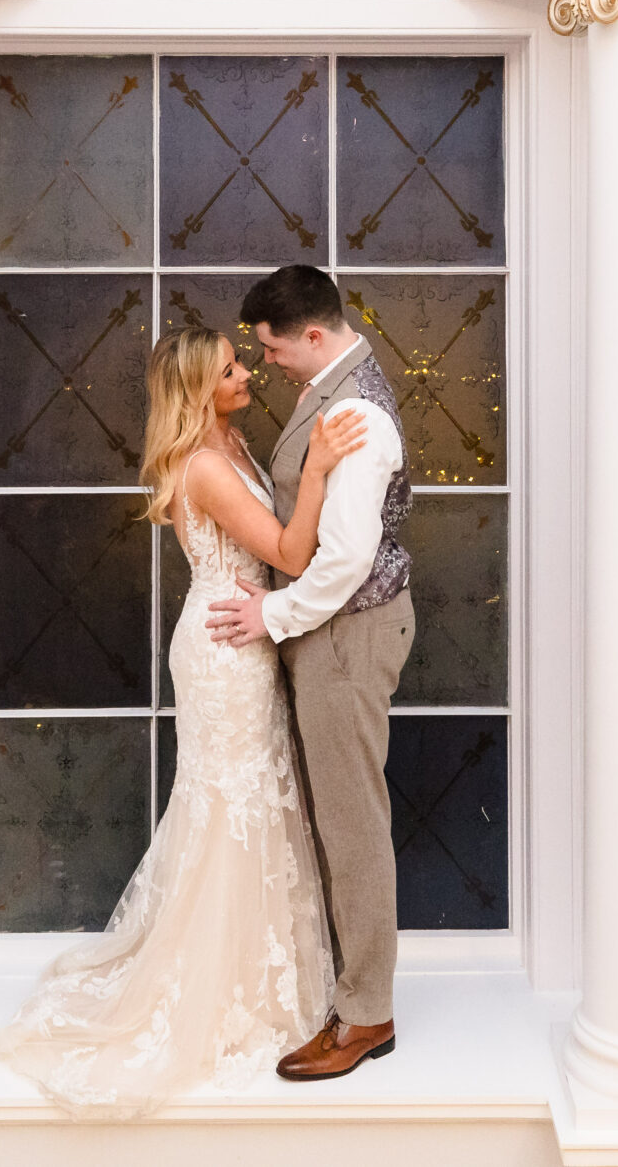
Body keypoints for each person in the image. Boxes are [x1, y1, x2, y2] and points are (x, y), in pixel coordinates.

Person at [0, 324, 370, 1116]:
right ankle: (211, 988)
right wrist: (321, 473)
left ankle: (249, 973)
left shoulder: (229, 440)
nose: (245, 375)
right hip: (226, 652)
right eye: (232, 369)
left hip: (239, 634)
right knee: (231, 803)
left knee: (251, 801)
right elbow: (291, 554)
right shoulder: (204, 464)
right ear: (200, 386)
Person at [205, 263, 413, 1082]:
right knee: (339, 815)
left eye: (272, 346)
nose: (266, 361)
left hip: (347, 635)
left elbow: (347, 558)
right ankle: (354, 995)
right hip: (334, 633)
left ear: (316, 337)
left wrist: (273, 615)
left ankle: (367, 1017)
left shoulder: (355, 409)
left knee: (351, 823)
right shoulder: (333, 383)